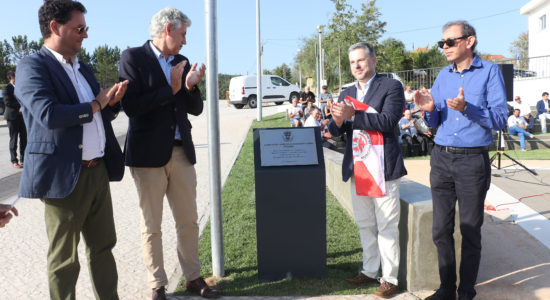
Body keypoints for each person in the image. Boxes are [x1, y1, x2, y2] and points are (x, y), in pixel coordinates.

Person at [14, 1, 128, 299]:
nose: (85, 35)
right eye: (80, 28)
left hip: (97, 171)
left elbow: (95, 116)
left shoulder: (84, 68)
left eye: (85, 28)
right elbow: (49, 115)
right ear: (55, 27)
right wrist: (97, 104)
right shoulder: (32, 66)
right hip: (63, 177)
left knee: (104, 247)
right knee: (65, 260)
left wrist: (109, 106)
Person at [118, 7, 219, 300]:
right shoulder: (132, 58)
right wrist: (172, 88)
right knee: (151, 225)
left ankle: (193, 277)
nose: (185, 41)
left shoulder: (181, 61)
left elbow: (195, 108)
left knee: (188, 220)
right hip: (148, 156)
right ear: (168, 29)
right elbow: (132, 107)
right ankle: (157, 284)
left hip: (181, 153)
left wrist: (188, 86)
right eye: (183, 33)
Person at [413, 20, 508, 300]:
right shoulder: (443, 76)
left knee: (469, 230)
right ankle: (446, 290)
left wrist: (469, 109)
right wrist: (429, 110)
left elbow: (500, 119)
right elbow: (433, 121)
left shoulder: (490, 72)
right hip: (441, 159)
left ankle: (466, 292)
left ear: (469, 41)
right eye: (441, 42)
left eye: (450, 42)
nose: (444, 47)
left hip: (471, 163)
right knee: (440, 230)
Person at [328, 42, 406, 298]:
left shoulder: (391, 86)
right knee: (365, 224)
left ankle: (390, 279)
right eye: (352, 62)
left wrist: (353, 115)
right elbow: (337, 132)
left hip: (383, 169)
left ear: (373, 60)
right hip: (358, 168)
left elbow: (388, 121)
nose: (357, 66)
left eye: (361, 60)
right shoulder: (346, 92)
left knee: (386, 227)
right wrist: (338, 120)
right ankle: (370, 270)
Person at [3, 71, 27, 169]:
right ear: (12, 77)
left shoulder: (21, 87)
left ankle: (23, 159)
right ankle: (14, 160)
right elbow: (8, 102)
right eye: (16, 76)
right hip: (12, 117)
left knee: (24, 138)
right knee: (14, 139)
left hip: (23, 117)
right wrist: (21, 105)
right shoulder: (6, 88)